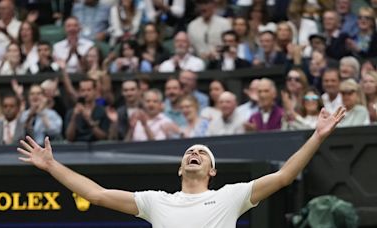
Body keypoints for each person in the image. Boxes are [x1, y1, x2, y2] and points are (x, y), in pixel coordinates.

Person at [17, 106, 346, 228]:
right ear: (180, 168)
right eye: (190, 151)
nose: (195, 153)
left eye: (202, 153)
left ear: (211, 171)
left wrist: (317, 136)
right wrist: (51, 166)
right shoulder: (155, 201)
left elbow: (286, 176)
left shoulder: (232, 197)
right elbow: (97, 195)